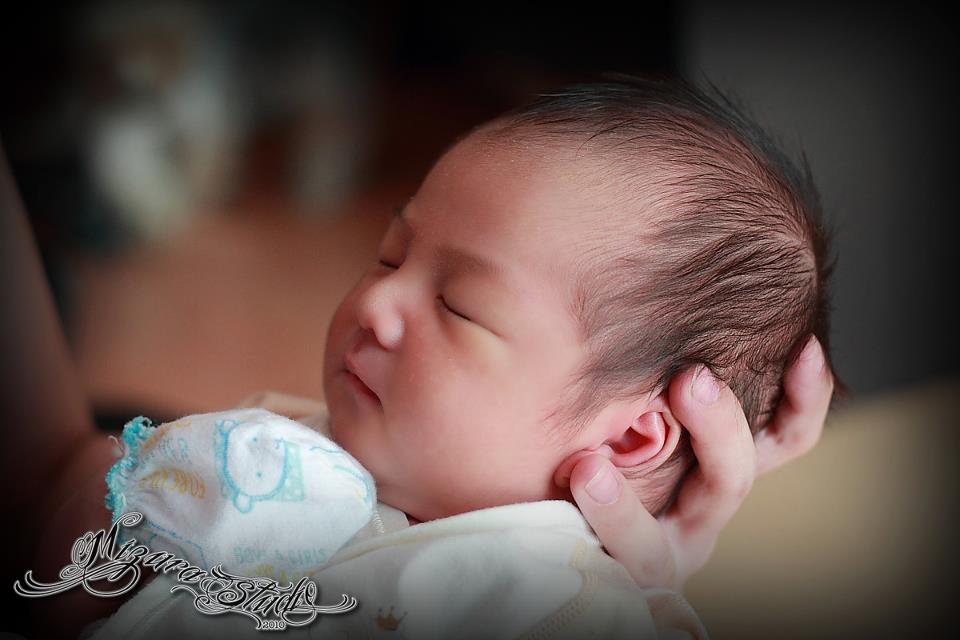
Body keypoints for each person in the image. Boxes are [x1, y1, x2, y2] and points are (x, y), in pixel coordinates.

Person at [0, 74, 838, 639]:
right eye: (390, 254)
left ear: (626, 440)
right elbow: (64, 536)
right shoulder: (285, 447)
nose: (376, 304)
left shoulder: (556, 605)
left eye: (459, 306)